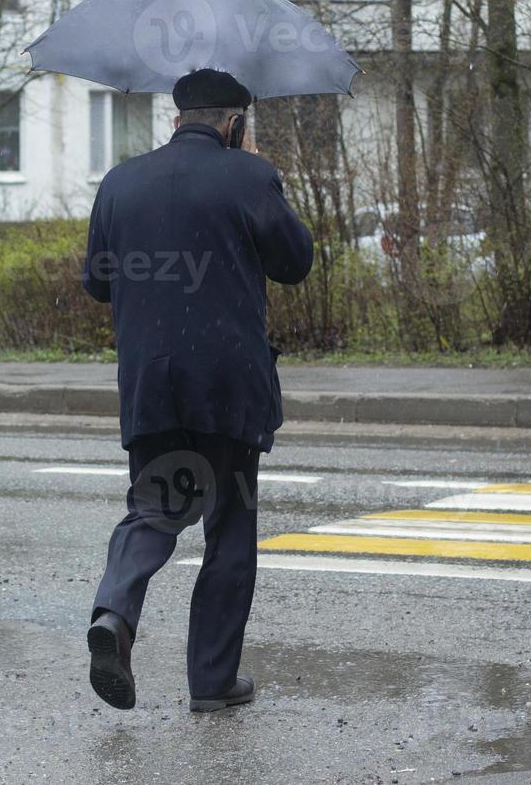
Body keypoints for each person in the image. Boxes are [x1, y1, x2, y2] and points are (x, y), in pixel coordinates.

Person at [81, 68, 314, 713]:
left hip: (152, 383)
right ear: (234, 123)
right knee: (229, 528)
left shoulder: (121, 181)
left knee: (155, 508)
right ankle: (211, 682)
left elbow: (98, 283)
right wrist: (265, 182)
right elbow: (296, 263)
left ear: (176, 119)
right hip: (228, 386)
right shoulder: (247, 176)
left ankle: (114, 616)